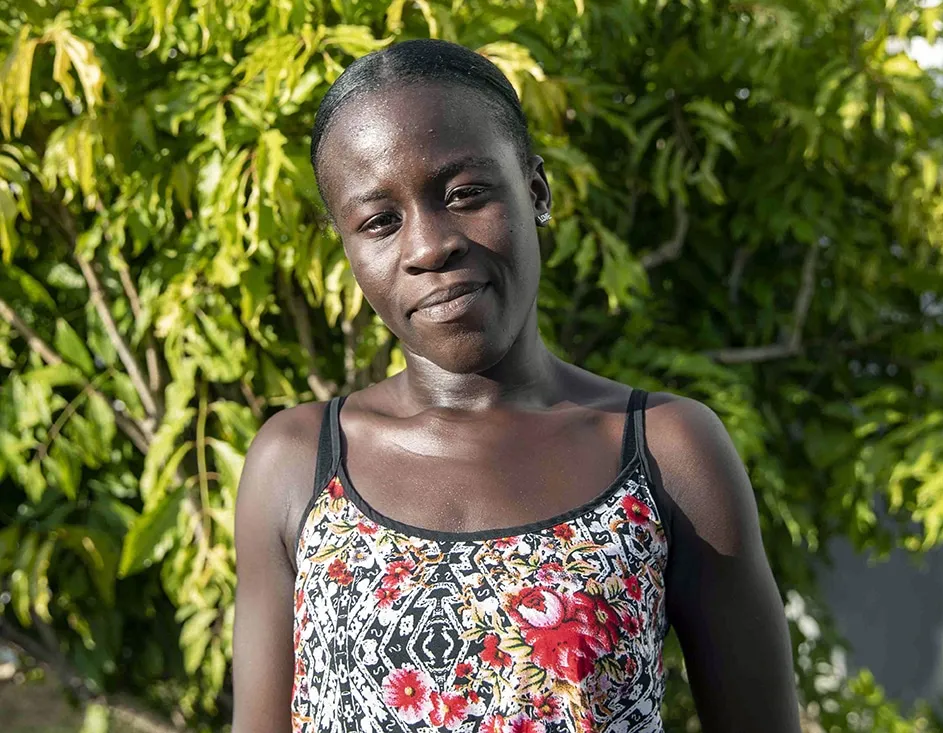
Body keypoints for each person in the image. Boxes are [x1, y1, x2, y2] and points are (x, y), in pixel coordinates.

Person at [232, 38, 800, 733]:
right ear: (347, 246)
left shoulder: (664, 453)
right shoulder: (298, 463)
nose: (429, 246)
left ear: (536, 190)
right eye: (380, 221)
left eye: (465, 194)